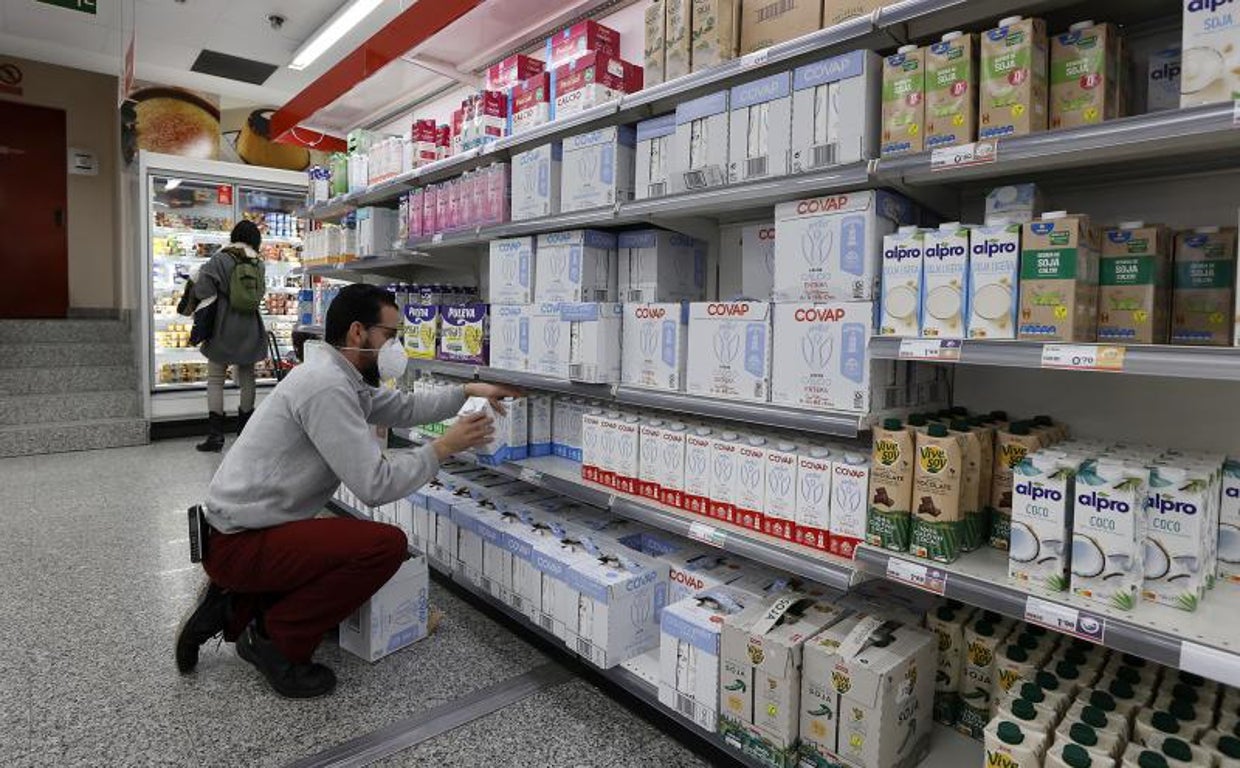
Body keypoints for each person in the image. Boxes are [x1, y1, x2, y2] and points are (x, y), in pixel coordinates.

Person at [175, 283, 520, 698]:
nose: (395, 347)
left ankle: (236, 603)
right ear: (358, 332)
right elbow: (374, 484)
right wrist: (444, 447)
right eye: (389, 335)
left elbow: (403, 408)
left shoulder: (337, 376)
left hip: (241, 530)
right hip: (240, 542)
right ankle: (275, 639)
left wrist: (466, 391)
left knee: (339, 544)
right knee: (382, 547)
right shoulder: (326, 386)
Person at [193, 220, 270, 452]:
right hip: (250, 326)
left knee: (216, 378)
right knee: (247, 377)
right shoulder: (258, 263)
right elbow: (260, 293)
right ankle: (245, 433)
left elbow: (202, 290)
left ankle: (215, 436)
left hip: (222, 325)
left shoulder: (220, 259)